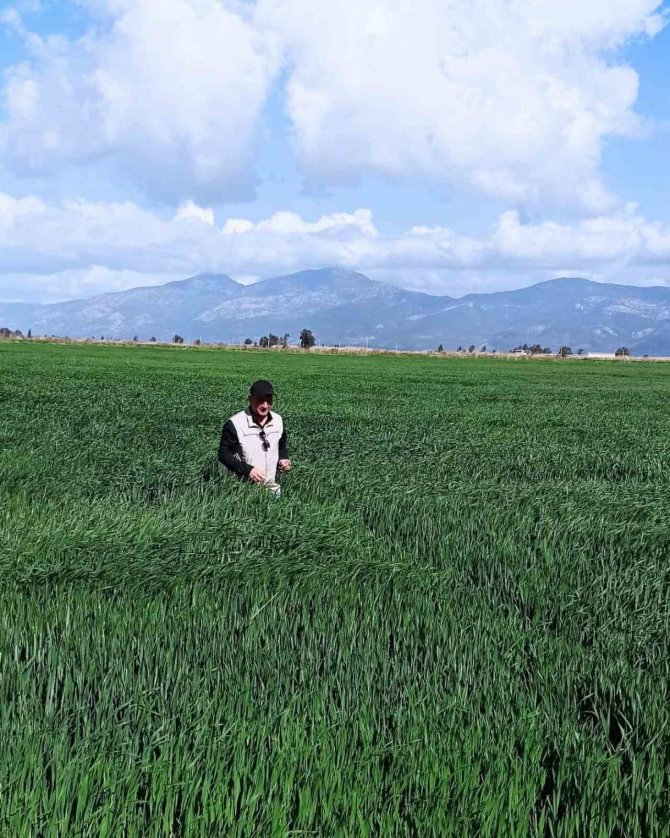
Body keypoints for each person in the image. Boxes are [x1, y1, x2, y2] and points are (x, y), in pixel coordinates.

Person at [218, 379, 291, 496]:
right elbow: (224, 454)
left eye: (269, 400)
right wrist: (248, 470)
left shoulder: (278, 421)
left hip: (273, 490)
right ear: (250, 399)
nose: (265, 405)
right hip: (244, 491)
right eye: (260, 400)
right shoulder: (235, 424)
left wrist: (283, 459)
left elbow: (281, 445)